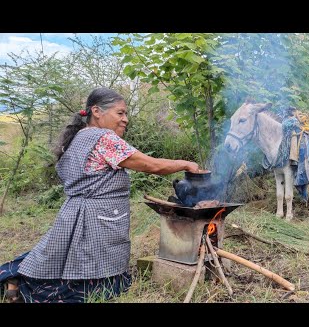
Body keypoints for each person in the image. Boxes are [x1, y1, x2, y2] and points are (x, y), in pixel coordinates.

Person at [0, 87, 199, 303]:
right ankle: (23, 286)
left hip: (74, 213)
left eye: (126, 114)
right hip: (98, 219)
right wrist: (186, 164)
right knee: (97, 280)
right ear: (96, 111)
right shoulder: (104, 138)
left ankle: (16, 279)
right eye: (120, 113)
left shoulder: (78, 137)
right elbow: (150, 165)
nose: (125, 119)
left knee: (57, 257)